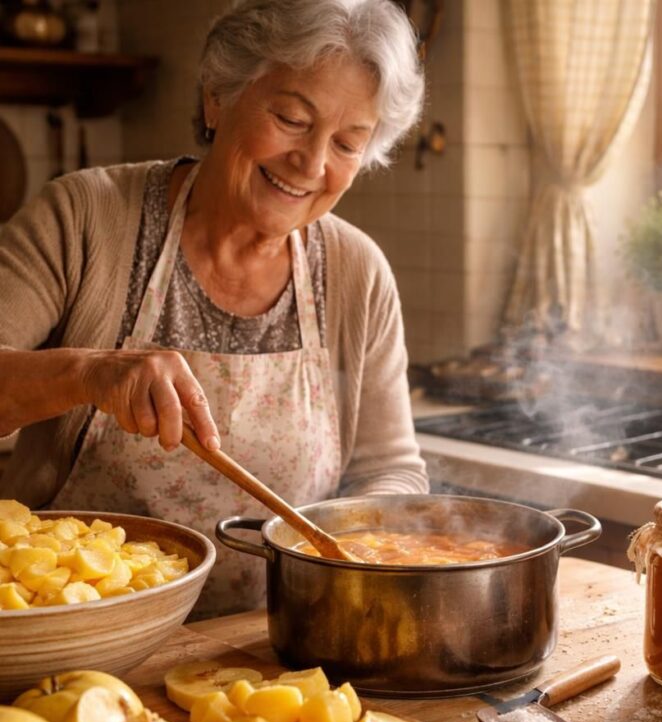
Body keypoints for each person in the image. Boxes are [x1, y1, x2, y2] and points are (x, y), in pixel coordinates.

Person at [0, 0, 429, 617]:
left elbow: (392, 473)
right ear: (218, 96)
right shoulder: (84, 218)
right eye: (290, 118)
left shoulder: (356, 272)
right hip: (81, 645)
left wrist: (353, 557)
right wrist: (89, 374)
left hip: (278, 651)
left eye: (347, 143)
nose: (311, 164)